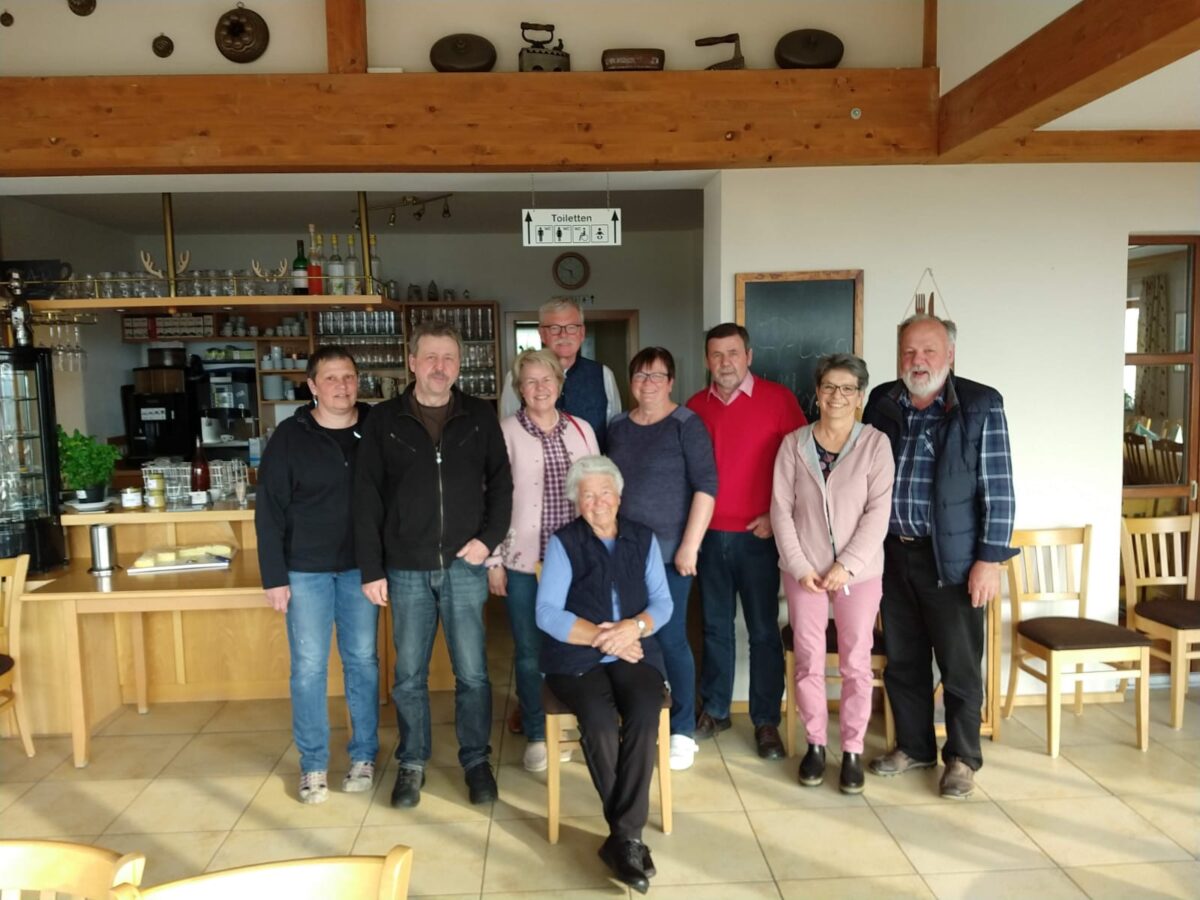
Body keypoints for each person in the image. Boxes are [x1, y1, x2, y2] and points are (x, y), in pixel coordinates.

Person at [355, 320, 513, 809]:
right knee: (408, 676)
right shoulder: (384, 420)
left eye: (448, 358)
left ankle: (476, 761)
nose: (439, 367)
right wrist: (371, 568)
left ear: (459, 364)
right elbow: (366, 497)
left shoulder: (480, 415)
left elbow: (502, 484)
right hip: (405, 567)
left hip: (465, 565)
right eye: (430, 357)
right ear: (412, 362)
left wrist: (488, 540)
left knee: (473, 674)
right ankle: (412, 762)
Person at [862, 314, 1015, 800]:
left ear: (950, 354)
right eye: (909, 351)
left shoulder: (980, 404)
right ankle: (914, 747)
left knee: (959, 666)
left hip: (954, 561)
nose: (918, 360)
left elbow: (999, 491)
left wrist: (989, 560)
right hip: (892, 555)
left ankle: (963, 759)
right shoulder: (882, 402)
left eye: (929, 350)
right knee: (904, 661)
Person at [537, 455, 672, 895]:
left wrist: (634, 628)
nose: (598, 502)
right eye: (588, 495)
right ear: (576, 501)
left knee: (645, 710)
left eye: (605, 493)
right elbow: (547, 613)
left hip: (635, 650)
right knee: (597, 720)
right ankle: (629, 838)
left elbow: (663, 603)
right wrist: (603, 638)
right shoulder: (564, 543)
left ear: (619, 495)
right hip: (576, 656)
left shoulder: (642, 538)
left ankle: (622, 838)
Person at [255, 345, 378, 805]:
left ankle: (363, 756)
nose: (342, 386)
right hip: (304, 568)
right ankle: (313, 765)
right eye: (331, 378)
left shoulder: (376, 426)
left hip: (362, 568)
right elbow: (268, 509)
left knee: (362, 662)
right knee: (308, 668)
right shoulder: (291, 436)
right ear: (312, 386)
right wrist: (274, 577)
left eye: (348, 376)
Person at [771, 353, 894, 794]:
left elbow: (878, 513)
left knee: (856, 663)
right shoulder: (794, 444)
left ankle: (853, 750)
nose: (837, 396)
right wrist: (800, 565)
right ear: (817, 393)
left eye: (847, 389)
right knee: (808, 661)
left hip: (858, 575)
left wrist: (847, 566)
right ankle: (816, 745)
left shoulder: (876, 444)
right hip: (803, 572)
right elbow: (781, 510)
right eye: (829, 387)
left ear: (860, 397)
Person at [687, 323, 807, 759]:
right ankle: (717, 709)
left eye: (733, 353)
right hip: (709, 537)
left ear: (749, 356)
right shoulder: (694, 407)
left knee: (762, 631)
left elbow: (803, 466)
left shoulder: (779, 400)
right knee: (715, 628)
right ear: (707, 360)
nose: (725, 363)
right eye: (716, 355)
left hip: (759, 537)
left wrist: (778, 517)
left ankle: (765, 721)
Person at [488, 348, 599, 773]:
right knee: (530, 650)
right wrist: (494, 561)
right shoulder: (504, 432)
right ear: (519, 389)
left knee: (580, 644)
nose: (539, 388)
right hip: (524, 562)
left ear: (560, 383)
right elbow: (490, 498)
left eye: (547, 379)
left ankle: (580, 724)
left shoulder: (582, 429)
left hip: (577, 562)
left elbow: (599, 489)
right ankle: (537, 731)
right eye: (530, 381)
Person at [608, 347, 717, 771]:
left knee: (670, 639)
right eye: (640, 375)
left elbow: (706, 487)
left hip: (672, 554)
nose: (648, 383)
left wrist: (691, 545)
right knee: (633, 639)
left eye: (657, 376)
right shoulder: (617, 426)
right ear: (630, 381)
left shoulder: (686, 424)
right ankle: (645, 719)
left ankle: (683, 730)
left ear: (671, 382)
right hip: (624, 553)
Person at [500, 297, 621, 449]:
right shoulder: (518, 375)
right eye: (554, 328)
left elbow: (614, 435)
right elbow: (506, 434)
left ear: (582, 332)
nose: (563, 335)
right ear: (542, 334)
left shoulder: (603, 375)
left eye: (572, 327)